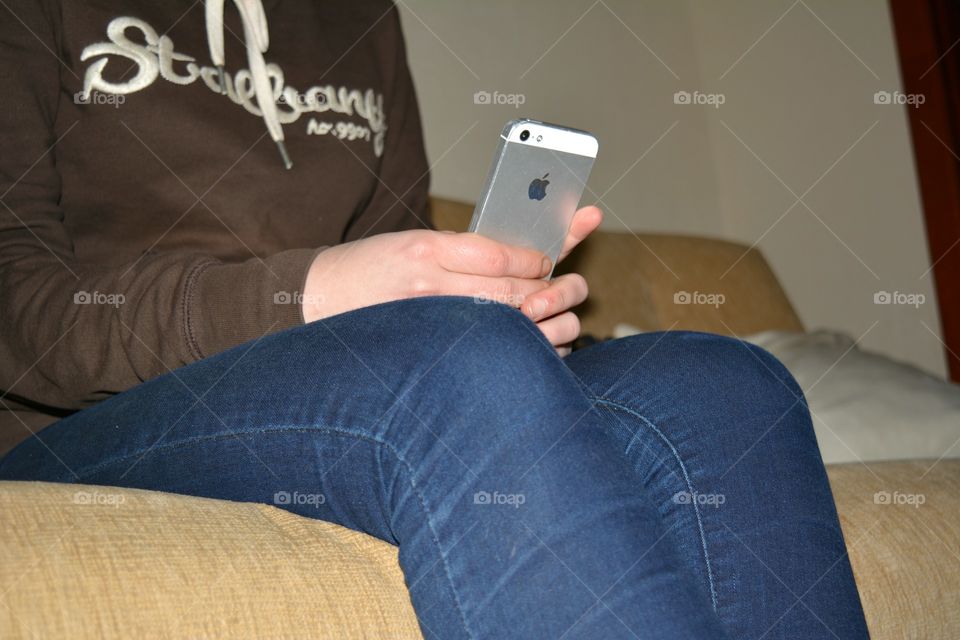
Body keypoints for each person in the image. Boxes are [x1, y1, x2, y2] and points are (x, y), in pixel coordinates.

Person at [0, 1, 869, 638]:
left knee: (720, 383)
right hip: (90, 418)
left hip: (353, 378)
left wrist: (487, 295)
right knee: (459, 361)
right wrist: (310, 292)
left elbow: (397, 250)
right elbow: (18, 302)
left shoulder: (359, 16)